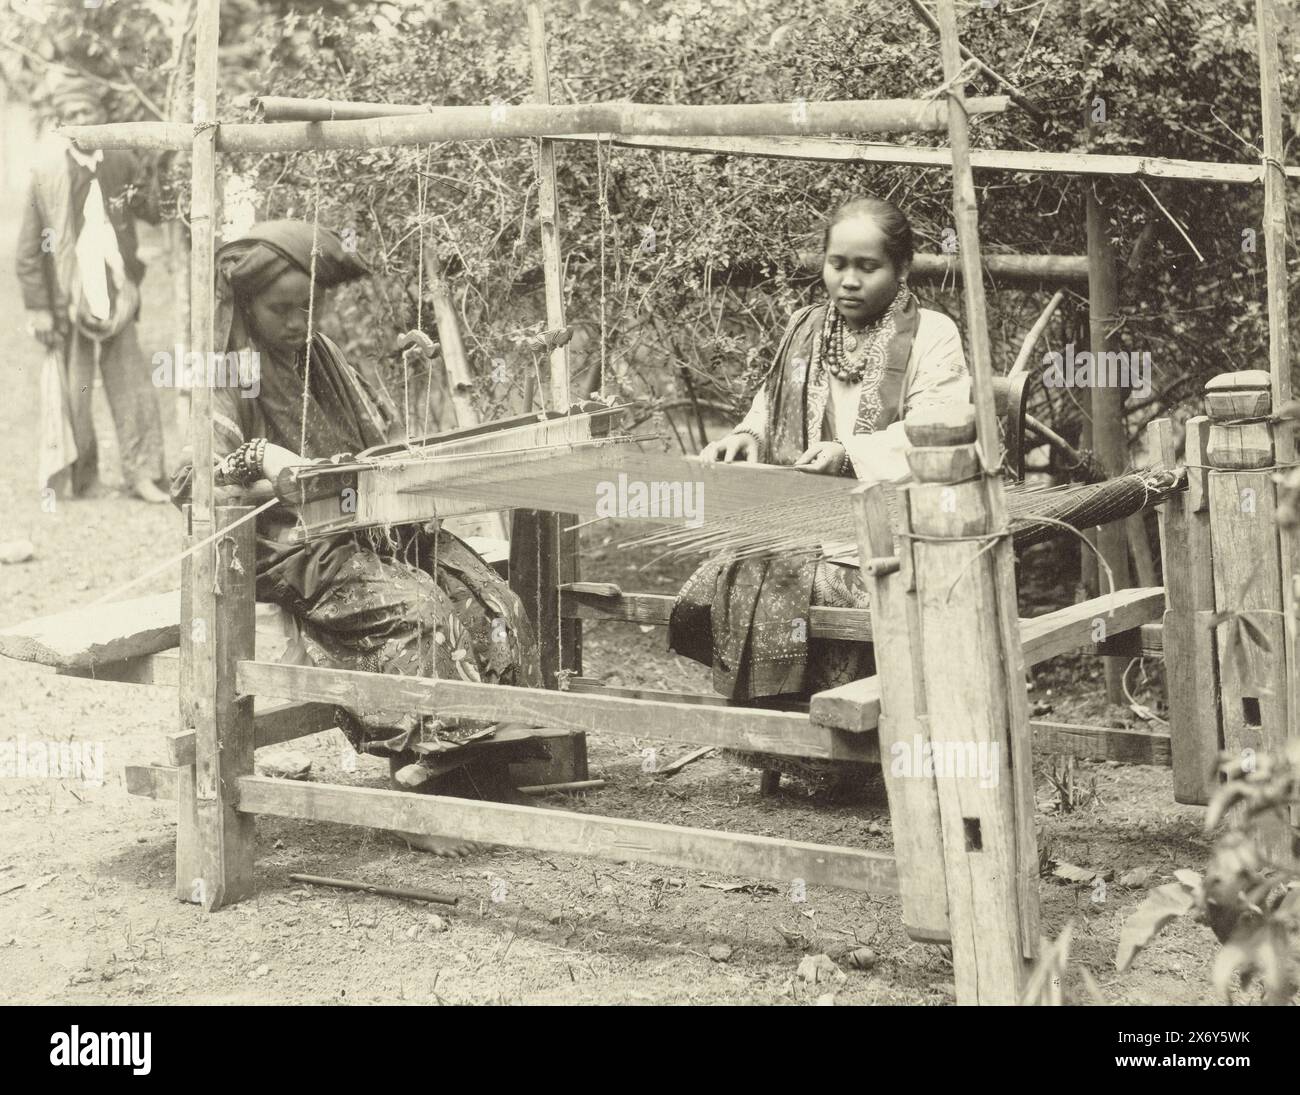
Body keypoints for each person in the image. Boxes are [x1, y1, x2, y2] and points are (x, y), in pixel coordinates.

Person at [169, 220, 543, 854]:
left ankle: (476, 769)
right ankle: (414, 791)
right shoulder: (226, 371)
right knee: (418, 612)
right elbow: (192, 481)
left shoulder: (320, 355)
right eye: (280, 309)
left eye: (309, 307)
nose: (297, 322)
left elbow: (371, 443)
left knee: (489, 598)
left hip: (360, 526)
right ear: (244, 303)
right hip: (286, 548)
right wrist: (264, 459)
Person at [671, 195, 970, 704]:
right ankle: (784, 737)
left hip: (893, 527)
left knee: (805, 580)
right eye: (838, 264)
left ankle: (850, 750)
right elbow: (770, 407)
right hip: (804, 524)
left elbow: (933, 432)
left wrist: (847, 454)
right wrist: (746, 436)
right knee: (718, 578)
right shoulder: (806, 328)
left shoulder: (934, 336)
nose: (848, 280)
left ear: (902, 268)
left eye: (867, 267)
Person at [16, 70, 167, 502]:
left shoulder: (123, 162)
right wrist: (39, 308)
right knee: (75, 391)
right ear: (62, 124)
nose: (80, 119)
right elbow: (28, 251)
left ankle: (143, 473)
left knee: (132, 383)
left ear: (102, 115)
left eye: (87, 111)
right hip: (69, 295)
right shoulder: (47, 174)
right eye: (71, 114)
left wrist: (163, 172)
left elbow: (152, 211)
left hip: (116, 291)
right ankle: (84, 477)